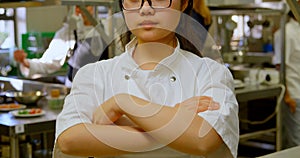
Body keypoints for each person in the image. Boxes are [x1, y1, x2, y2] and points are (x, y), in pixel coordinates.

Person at [54, 0, 239, 157]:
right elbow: (69, 139)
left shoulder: (210, 72)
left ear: (183, 4)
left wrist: (124, 103)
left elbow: (203, 139)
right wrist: (172, 123)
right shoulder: (94, 74)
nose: (145, 9)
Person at [13, 6, 108, 87]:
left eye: (86, 5)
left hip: (104, 88)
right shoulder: (68, 32)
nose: (80, 9)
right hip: (76, 90)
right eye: (77, 6)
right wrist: (24, 62)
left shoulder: (108, 27)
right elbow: (49, 62)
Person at [273, 9, 300, 148]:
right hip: (293, 94)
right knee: (296, 142)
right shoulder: (285, 33)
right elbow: (280, 66)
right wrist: (288, 96)